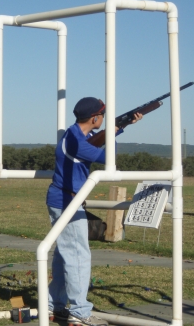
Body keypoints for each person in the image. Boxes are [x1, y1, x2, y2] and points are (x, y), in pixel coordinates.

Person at [45, 97, 142, 326]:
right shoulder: (78, 142)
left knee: (64, 256)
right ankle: (79, 312)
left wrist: (120, 127)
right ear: (95, 117)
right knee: (78, 255)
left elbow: (95, 142)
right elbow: (109, 158)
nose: (104, 118)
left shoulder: (75, 134)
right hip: (67, 201)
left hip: (65, 199)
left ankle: (53, 305)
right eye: (103, 115)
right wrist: (115, 131)